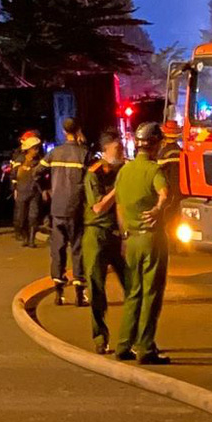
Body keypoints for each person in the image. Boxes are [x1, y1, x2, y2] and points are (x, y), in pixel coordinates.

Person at [113, 121, 171, 365]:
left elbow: (118, 206)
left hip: (132, 239)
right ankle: (146, 347)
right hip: (151, 239)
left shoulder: (124, 171)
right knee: (151, 294)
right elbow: (165, 194)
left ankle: (123, 344)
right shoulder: (154, 170)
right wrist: (158, 209)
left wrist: (125, 232)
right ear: (155, 144)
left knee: (133, 294)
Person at [81, 130, 126, 354]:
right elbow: (98, 207)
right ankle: (100, 338)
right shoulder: (94, 173)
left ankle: (137, 339)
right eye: (117, 149)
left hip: (119, 235)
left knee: (133, 288)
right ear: (105, 149)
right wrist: (118, 189)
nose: (122, 152)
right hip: (96, 235)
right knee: (96, 288)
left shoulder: (125, 169)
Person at [45, 118, 89, 303]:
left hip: (57, 208)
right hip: (76, 208)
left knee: (58, 249)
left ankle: (59, 293)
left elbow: (37, 173)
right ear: (78, 130)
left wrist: (45, 190)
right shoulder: (84, 154)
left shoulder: (54, 153)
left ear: (64, 132)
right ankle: (80, 294)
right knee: (78, 248)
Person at [11, 130, 45, 247]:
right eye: (34, 148)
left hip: (34, 192)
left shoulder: (40, 161)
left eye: (37, 148)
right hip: (22, 192)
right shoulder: (19, 160)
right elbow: (13, 176)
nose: (36, 151)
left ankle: (31, 240)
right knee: (21, 217)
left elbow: (45, 176)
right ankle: (24, 236)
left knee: (33, 216)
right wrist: (14, 189)